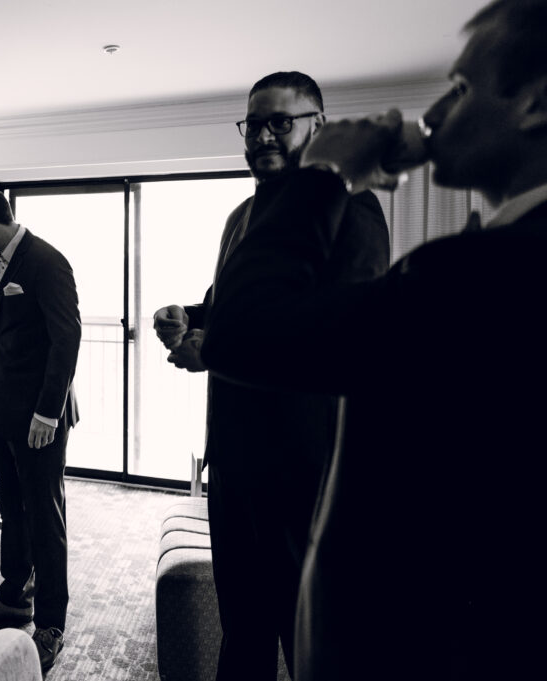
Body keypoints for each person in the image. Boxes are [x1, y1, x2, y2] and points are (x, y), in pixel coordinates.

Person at [198, 1, 547, 679]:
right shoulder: (495, 253)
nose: (435, 113)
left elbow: (263, 327)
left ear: (536, 106)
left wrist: (326, 174)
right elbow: (235, 309)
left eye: (464, 88)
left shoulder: (481, 269)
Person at [153, 72, 389, 680]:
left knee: (306, 635)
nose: (263, 135)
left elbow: (342, 335)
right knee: (244, 627)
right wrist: (191, 316)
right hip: (234, 463)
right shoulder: (241, 215)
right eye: (253, 123)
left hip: (304, 465)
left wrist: (216, 348)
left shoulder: (353, 204)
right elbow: (234, 307)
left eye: (280, 121)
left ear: (320, 125)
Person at [0, 188, 81, 671]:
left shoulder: (47, 262)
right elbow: (9, 338)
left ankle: (51, 623)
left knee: (45, 517)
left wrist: (48, 413)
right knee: (13, 508)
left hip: (39, 419)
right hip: (5, 412)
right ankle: (13, 597)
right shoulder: (0, 262)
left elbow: (66, 338)